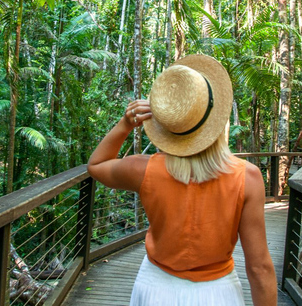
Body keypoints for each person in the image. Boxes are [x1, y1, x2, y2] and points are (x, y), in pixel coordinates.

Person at [88, 54, 277, 305]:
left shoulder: (143, 169)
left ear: (168, 126)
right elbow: (259, 268)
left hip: (155, 289)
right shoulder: (247, 177)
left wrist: (125, 123)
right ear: (217, 120)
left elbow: (96, 165)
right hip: (218, 294)